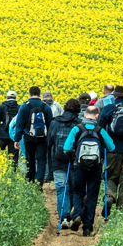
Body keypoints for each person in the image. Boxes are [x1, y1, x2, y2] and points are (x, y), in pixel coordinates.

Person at [64, 106, 115, 236]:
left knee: (78, 191)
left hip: (80, 167)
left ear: (85, 115)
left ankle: (77, 215)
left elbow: (67, 148)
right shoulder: (100, 130)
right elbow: (112, 147)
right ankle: (88, 227)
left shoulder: (77, 129)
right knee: (92, 195)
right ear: (97, 116)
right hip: (95, 168)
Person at [47, 98, 81, 229]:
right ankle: (70, 214)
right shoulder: (79, 123)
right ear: (78, 110)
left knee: (61, 188)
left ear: (65, 108)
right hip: (74, 161)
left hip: (58, 160)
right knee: (72, 188)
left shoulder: (55, 122)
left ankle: (65, 216)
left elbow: (50, 142)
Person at [14, 86, 53, 188]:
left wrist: (17, 139)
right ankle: (39, 183)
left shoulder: (24, 106)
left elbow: (20, 124)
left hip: (28, 138)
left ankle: (30, 182)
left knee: (30, 160)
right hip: (43, 139)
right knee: (41, 160)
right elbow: (50, 124)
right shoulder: (46, 107)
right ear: (40, 94)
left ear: (29, 94)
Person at [0, 90, 20, 169]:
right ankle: (13, 172)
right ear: (15, 98)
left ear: (7, 97)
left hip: (2, 135)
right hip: (14, 136)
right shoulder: (19, 107)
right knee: (13, 156)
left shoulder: (2, 106)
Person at [42, 92, 63, 182]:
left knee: (47, 154)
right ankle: (50, 175)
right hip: (54, 132)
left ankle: (48, 175)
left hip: (46, 133)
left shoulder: (42, 105)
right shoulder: (56, 105)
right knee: (51, 153)